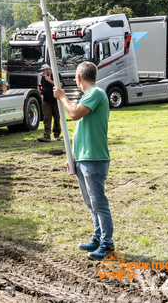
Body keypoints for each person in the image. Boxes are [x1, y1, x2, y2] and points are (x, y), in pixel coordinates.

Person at [53, 61, 114, 261]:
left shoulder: (96, 93)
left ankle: (107, 245)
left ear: (79, 77)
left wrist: (62, 97)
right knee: (90, 203)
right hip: (84, 158)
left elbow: (74, 114)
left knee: (99, 203)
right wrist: (72, 158)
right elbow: (80, 130)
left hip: (94, 158)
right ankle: (98, 238)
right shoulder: (88, 95)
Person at [37, 64, 61, 142]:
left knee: (57, 118)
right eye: (42, 71)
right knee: (47, 118)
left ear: (48, 69)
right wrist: (40, 90)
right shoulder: (43, 77)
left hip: (56, 100)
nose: (43, 72)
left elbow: (60, 85)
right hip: (46, 100)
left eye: (44, 70)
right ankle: (47, 136)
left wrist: (49, 80)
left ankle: (57, 135)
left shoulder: (56, 75)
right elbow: (42, 86)